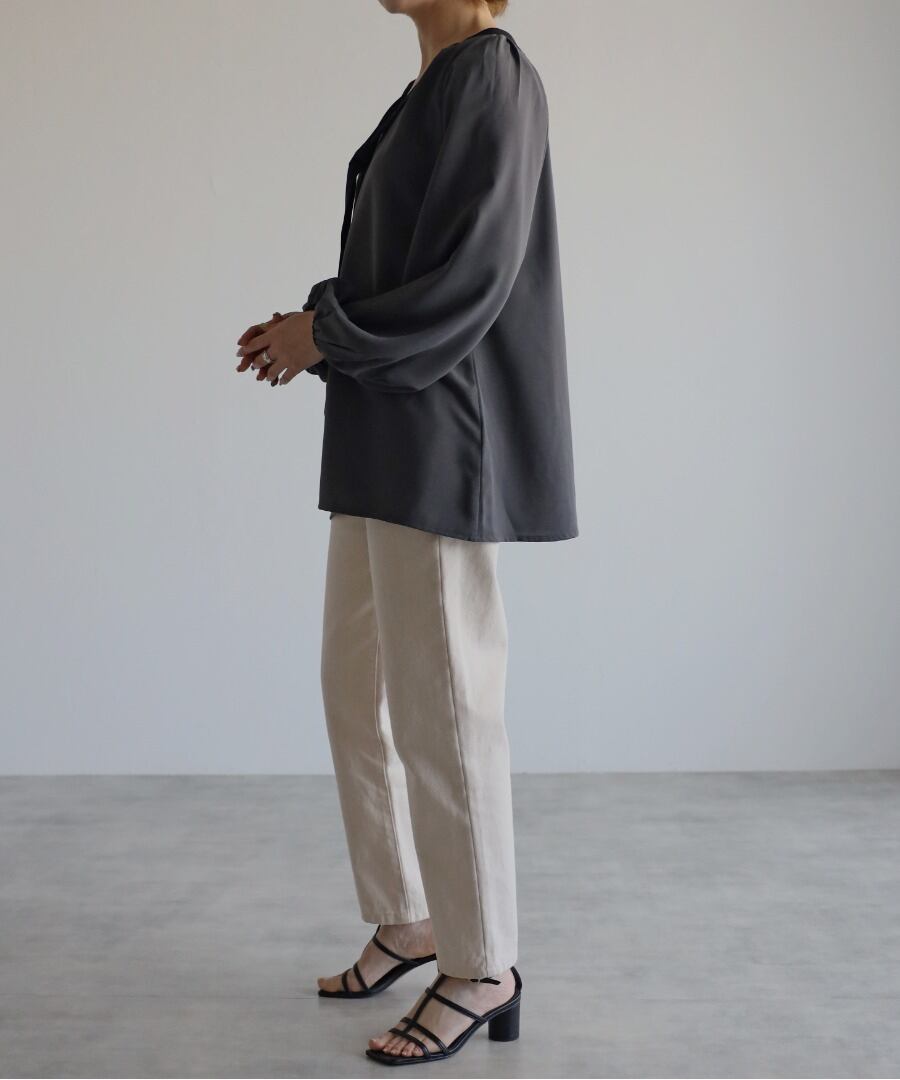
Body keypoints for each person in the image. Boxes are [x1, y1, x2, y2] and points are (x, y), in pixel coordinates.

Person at [235, 0, 577, 1065]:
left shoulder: (493, 76)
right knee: (357, 686)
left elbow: (469, 280)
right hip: (385, 434)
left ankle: (482, 966)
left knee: (446, 707)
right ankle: (409, 918)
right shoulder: (431, 88)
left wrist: (325, 334)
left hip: (439, 437)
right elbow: (398, 268)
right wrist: (313, 330)